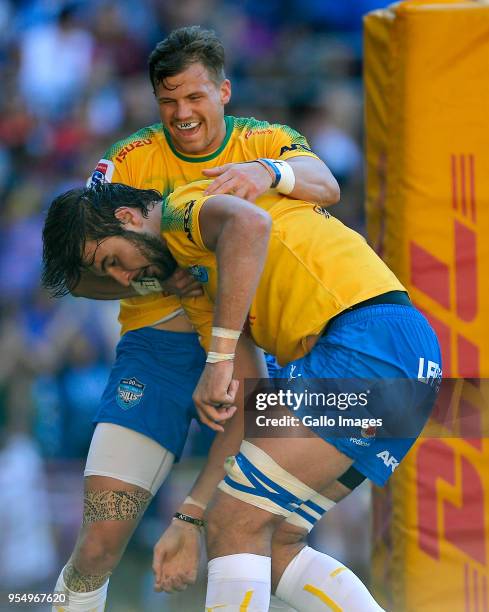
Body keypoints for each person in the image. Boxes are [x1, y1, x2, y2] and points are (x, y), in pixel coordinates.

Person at [46, 25, 341, 612]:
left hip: (250, 349)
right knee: (101, 540)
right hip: (156, 350)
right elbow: (76, 271)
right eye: (168, 100)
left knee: (265, 536)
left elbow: (326, 185)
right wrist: (160, 279)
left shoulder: (266, 141)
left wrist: (268, 173)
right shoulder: (127, 162)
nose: (182, 112)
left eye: (194, 96)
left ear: (224, 91)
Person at [41, 180, 442, 611]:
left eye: (114, 260)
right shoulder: (204, 282)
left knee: (234, 524)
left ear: (128, 217)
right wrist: (189, 514)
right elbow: (255, 406)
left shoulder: (177, 213)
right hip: (400, 354)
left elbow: (251, 222)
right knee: (277, 544)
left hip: (364, 346)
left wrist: (217, 357)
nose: (123, 278)